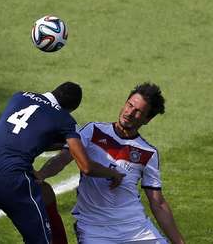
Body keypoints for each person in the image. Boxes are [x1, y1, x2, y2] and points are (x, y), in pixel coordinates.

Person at [37, 82, 186, 244]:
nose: (129, 113)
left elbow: (158, 203)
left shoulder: (148, 152)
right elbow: (62, 158)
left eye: (138, 111)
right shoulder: (93, 131)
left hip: (137, 229)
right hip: (94, 230)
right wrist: (41, 174)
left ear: (147, 119)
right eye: (129, 105)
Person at [0, 81, 125, 244]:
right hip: (14, 184)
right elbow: (86, 167)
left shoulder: (19, 96)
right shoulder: (64, 120)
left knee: (44, 192)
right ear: (70, 110)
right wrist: (113, 173)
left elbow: (27, 133)